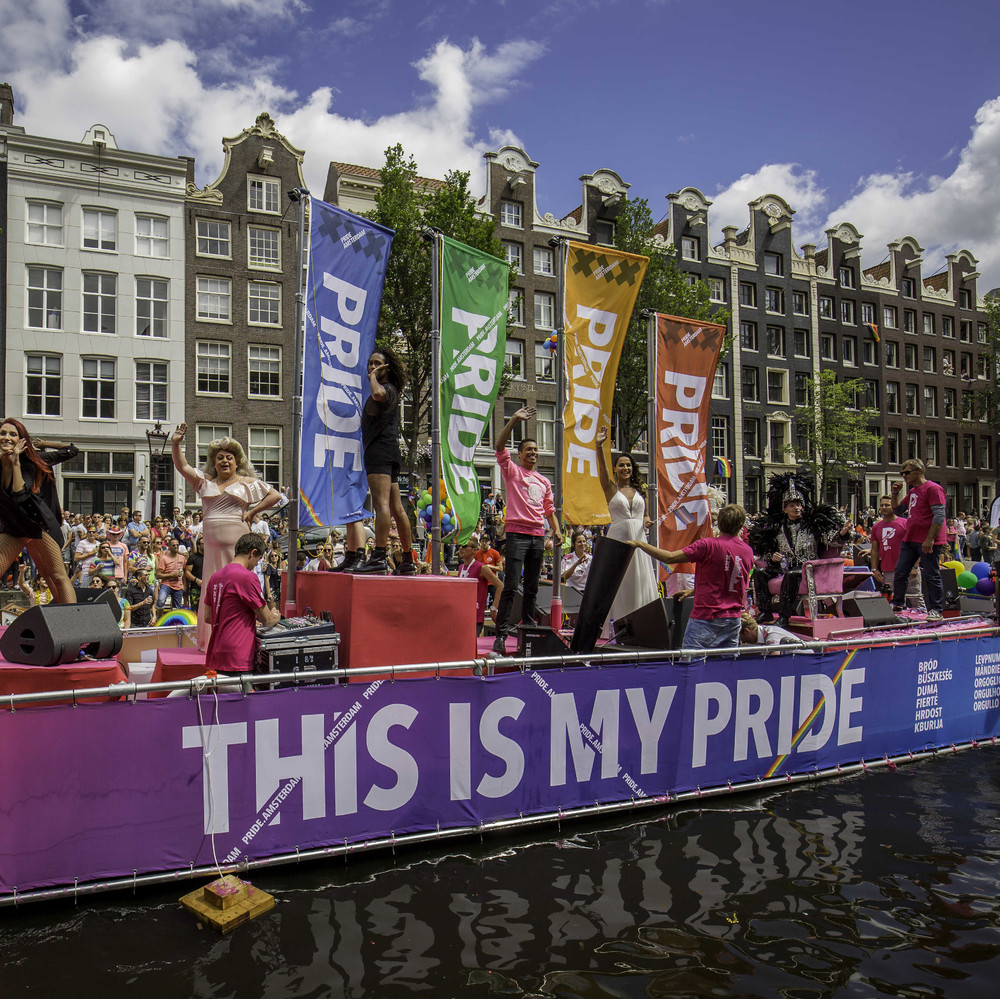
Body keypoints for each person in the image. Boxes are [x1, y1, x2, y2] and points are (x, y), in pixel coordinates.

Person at [170, 424, 280, 648]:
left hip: (237, 543)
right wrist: (176, 443)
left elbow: (275, 495)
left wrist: (253, 511)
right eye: (220, 457)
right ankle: (210, 640)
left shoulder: (246, 482)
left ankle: (239, 637)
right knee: (212, 586)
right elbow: (182, 466)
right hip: (211, 546)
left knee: (238, 585)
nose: (224, 461)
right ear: (214, 461)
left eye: (229, 457)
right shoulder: (204, 482)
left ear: (237, 462)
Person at [630, 503, 754, 650]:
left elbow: (670, 557)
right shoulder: (748, 551)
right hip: (733, 619)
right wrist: (693, 591)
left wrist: (640, 544)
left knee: (691, 664)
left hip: (706, 617)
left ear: (718, 523)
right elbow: (730, 580)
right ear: (741, 526)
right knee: (725, 668)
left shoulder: (707, 545)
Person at [491, 406, 562, 654]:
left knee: (532, 586)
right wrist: (513, 420)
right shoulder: (512, 472)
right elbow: (499, 448)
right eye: (528, 449)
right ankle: (500, 635)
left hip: (537, 537)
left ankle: (529, 626)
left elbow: (549, 508)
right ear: (520, 454)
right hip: (516, 534)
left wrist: (557, 530)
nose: (533, 453)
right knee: (511, 585)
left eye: (535, 450)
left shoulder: (544, 481)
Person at [748, 472, 851, 629]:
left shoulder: (812, 525)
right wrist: (772, 557)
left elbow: (830, 538)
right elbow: (769, 551)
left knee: (791, 575)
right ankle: (765, 611)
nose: (797, 508)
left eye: (799, 505)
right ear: (785, 509)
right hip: (784, 566)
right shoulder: (778, 529)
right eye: (792, 505)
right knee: (760, 572)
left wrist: (843, 532)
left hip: (808, 567)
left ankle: (784, 616)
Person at [0, 418, 78, 603]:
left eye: (12, 434)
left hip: (38, 525)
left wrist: (44, 444)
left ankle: (72, 625)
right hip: (15, 527)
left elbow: (19, 495)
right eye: (3, 433)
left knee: (56, 577)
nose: (6, 438)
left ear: (21, 439)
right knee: (49, 577)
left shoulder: (34, 460)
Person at [355, 347, 416, 576]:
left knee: (381, 505)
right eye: (370, 364)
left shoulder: (385, 389)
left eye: (376, 364)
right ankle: (408, 560)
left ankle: (379, 556)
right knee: (396, 507)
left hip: (380, 452)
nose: (372, 367)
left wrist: (372, 378)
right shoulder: (389, 389)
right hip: (388, 451)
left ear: (386, 367)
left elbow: (378, 395)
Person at [595, 426, 658, 623]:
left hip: (639, 538)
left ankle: (643, 621)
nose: (625, 468)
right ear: (616, 469)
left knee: (639, 579)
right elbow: (603, 472)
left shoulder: (642, 490)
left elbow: (646, 515)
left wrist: (647, 522)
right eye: (621, 465)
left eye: (628, 465)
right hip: (618, 537)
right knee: (619, 580)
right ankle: (618, 621)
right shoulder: (611, 489)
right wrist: (599, 446)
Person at [203, 533, 281, 675]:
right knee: (240, 696)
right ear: (253, 553)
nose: (256, 564)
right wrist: (276, 615)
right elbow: (267, 619)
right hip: (238, 654)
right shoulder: (247, 577)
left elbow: (208, 617)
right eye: (258, 560)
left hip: (217, 651)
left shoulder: (215, 576)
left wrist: (245, 621)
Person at [890, 459, 947, 622]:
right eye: (902, 473)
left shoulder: (933, 488)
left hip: (927, 539)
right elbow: (898, 510)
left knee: (931, 574)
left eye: (907, 472)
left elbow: (939, 515)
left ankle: (936, 609)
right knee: (900, 571)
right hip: (911, 537)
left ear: (919, 471)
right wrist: (895, 494)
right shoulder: (913, 491)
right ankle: (898, 604)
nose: (904, 476)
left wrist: (930, 539)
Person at [455, 535, 504, 637]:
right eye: (460, 546)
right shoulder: (460, 567)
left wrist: (494, 608)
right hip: (461, 615)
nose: (461, 548)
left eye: (465, 546)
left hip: (475, 617)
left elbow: (500, 585)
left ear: (473, 550)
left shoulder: (481, 567)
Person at [155, 536, 186, 610]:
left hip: (178, 586)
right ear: (169, 546)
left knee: (177, 608)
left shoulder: (182, 558)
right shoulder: (164, 558)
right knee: (160, 601)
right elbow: (158, 575)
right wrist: (172, 575)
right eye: (173, 545)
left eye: (177, 545)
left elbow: (185, 572)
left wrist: (185, 585)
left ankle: (174, 621)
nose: (176, 547)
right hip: (166, 584)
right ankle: (159, 618)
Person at [561, 531, 593, 596]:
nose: (582, 544)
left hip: (586, 592)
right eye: (579, 542)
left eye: (584, 541)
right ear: (573, 544)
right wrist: (576, 564)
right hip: (572, 592)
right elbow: (564, 577)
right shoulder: (567, 559)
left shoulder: (591, 558)